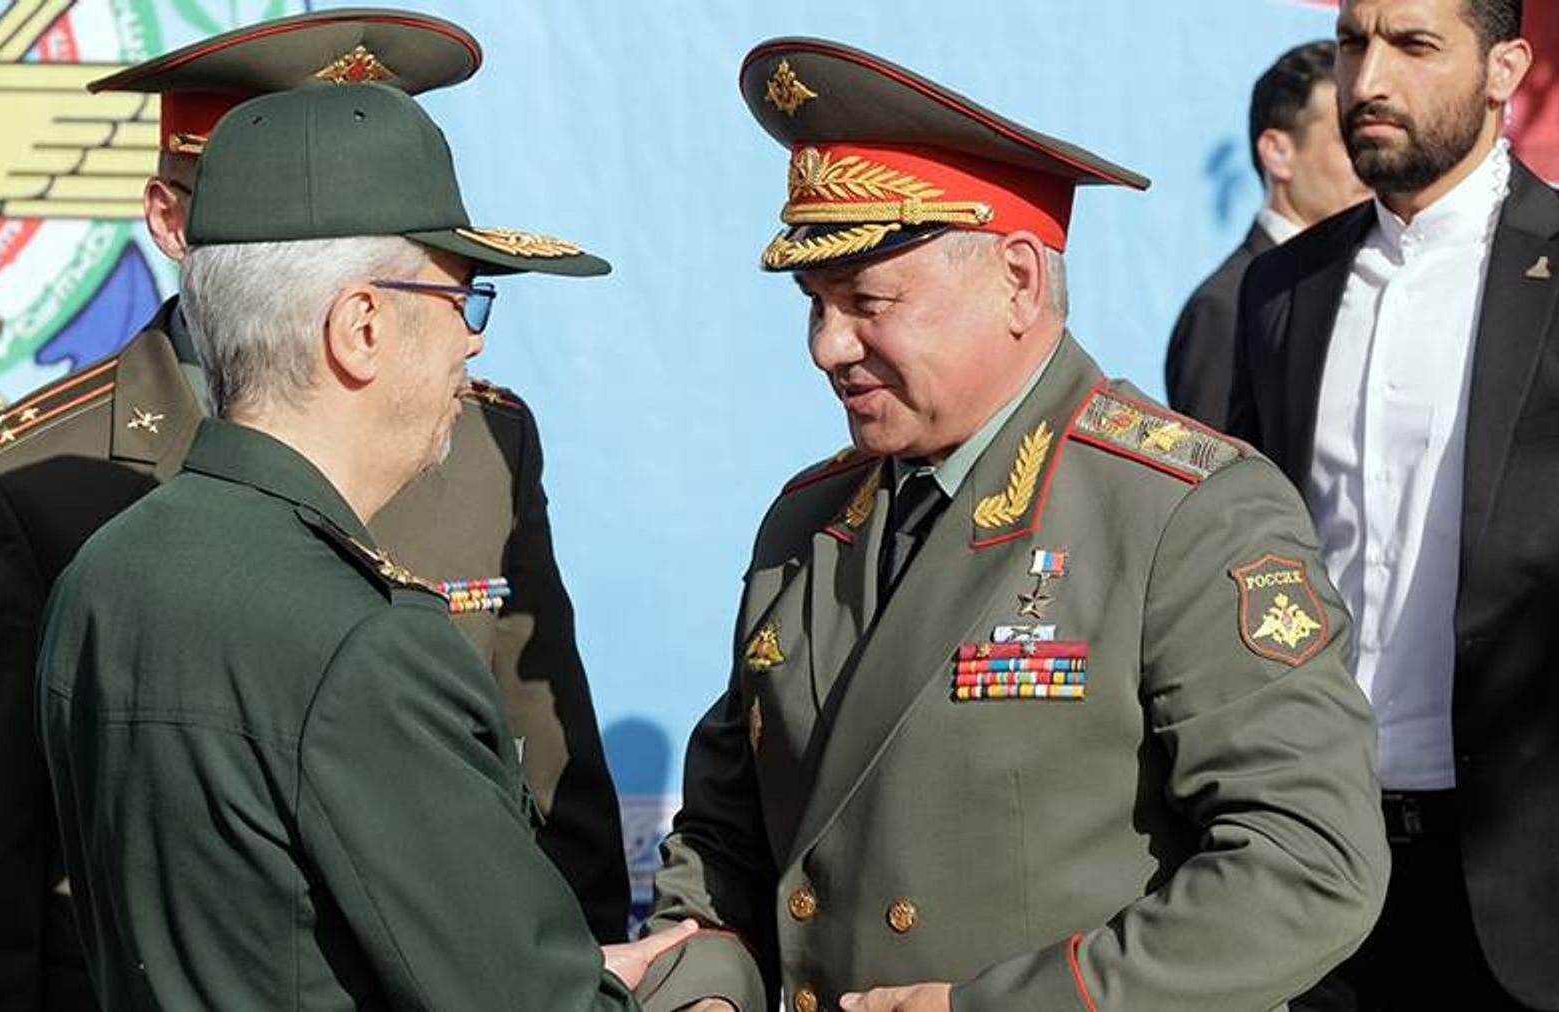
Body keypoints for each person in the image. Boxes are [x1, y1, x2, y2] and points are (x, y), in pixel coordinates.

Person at [636, 37, 1388, 1012]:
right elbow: (726, 837)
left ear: (1020, 280)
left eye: (868, 302)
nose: (829, 346)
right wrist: (704, 987)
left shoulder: (1185, 513)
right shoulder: (805, 520)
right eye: (814, 305)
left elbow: (1307, 865)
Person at [0, 12, 628, 1008]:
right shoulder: (33, 479)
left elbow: (550, 779)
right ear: (174, 218)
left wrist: (578, 964)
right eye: (259, 190)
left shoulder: (485, 436)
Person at [1227, 1, 1556, 1008]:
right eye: (1352, 43)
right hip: (1317, 872)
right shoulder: (1283, 289)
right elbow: (1248, 555)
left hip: (1528, 886)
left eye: (1413, 45)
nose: (1367, 80)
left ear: (1506, 69)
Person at [1164, 40, 1369, 427]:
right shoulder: (1225, 307)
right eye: (1347, 140)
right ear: (1277, 152)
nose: (1367, 160)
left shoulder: (1360, 284)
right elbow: (1214, 477)